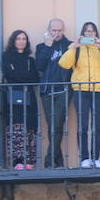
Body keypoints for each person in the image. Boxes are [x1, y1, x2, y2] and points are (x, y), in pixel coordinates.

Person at [58, 22, 100, 168]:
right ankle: (84, 159)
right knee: (82, 126)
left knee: (97, 126)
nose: (90, 34)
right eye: (87, 31)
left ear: (96, 34)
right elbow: (64, 64)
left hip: (99, 90)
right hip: (81, 90)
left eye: (92, 31)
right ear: (82, 34)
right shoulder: (76, 49)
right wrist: (73, 47)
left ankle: (95, 158)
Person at [34, 19, 73, 168]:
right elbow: (40, 66)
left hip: (63, 89)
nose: (56, 34)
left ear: (63, 30)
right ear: (48, 30)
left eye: (59, 31)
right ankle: (58, 160)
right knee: (53, 127)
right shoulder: (41, 47)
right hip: (46, 91)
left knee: (57, 125)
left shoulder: (69, 46)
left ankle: (49, 160)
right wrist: (47, 47)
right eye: (54, 31)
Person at [1, 30, 40, 170]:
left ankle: (29, 161)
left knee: (30, 126)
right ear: (13, 41)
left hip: (29, 97)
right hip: (13, 96)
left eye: (24, 38)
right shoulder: (7, 56)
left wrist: (19, 75)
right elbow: (8, 74)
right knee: (16, 126)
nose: (21, 41)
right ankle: (17, 161)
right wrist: (25, 76)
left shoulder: (30, 60)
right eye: (18, 38)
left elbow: (35, 78)